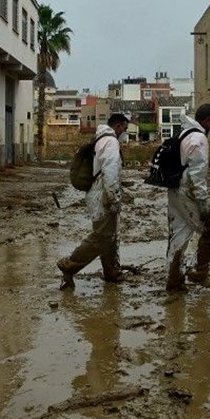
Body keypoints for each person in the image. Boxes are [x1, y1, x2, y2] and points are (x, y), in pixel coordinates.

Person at [57, 113, 130, 290]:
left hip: (97, 193)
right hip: (102, 195)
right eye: (125, 129)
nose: (125, 133)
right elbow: (110, 171)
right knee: (102, 236)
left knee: (108, 235)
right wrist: (113, 198)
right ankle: (70, 265)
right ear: (118, 126)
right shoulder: (111, 141)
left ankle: (111, 272)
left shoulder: (100, 138)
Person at [166, 104, 210, 292]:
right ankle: (199, 272)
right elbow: (197, 174)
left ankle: (174, 280)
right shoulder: (199, 139)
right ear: (207, 120)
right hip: (188, 191)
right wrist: (202, 202)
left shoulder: (185, 133)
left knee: (179, 234)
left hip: (175, 190)